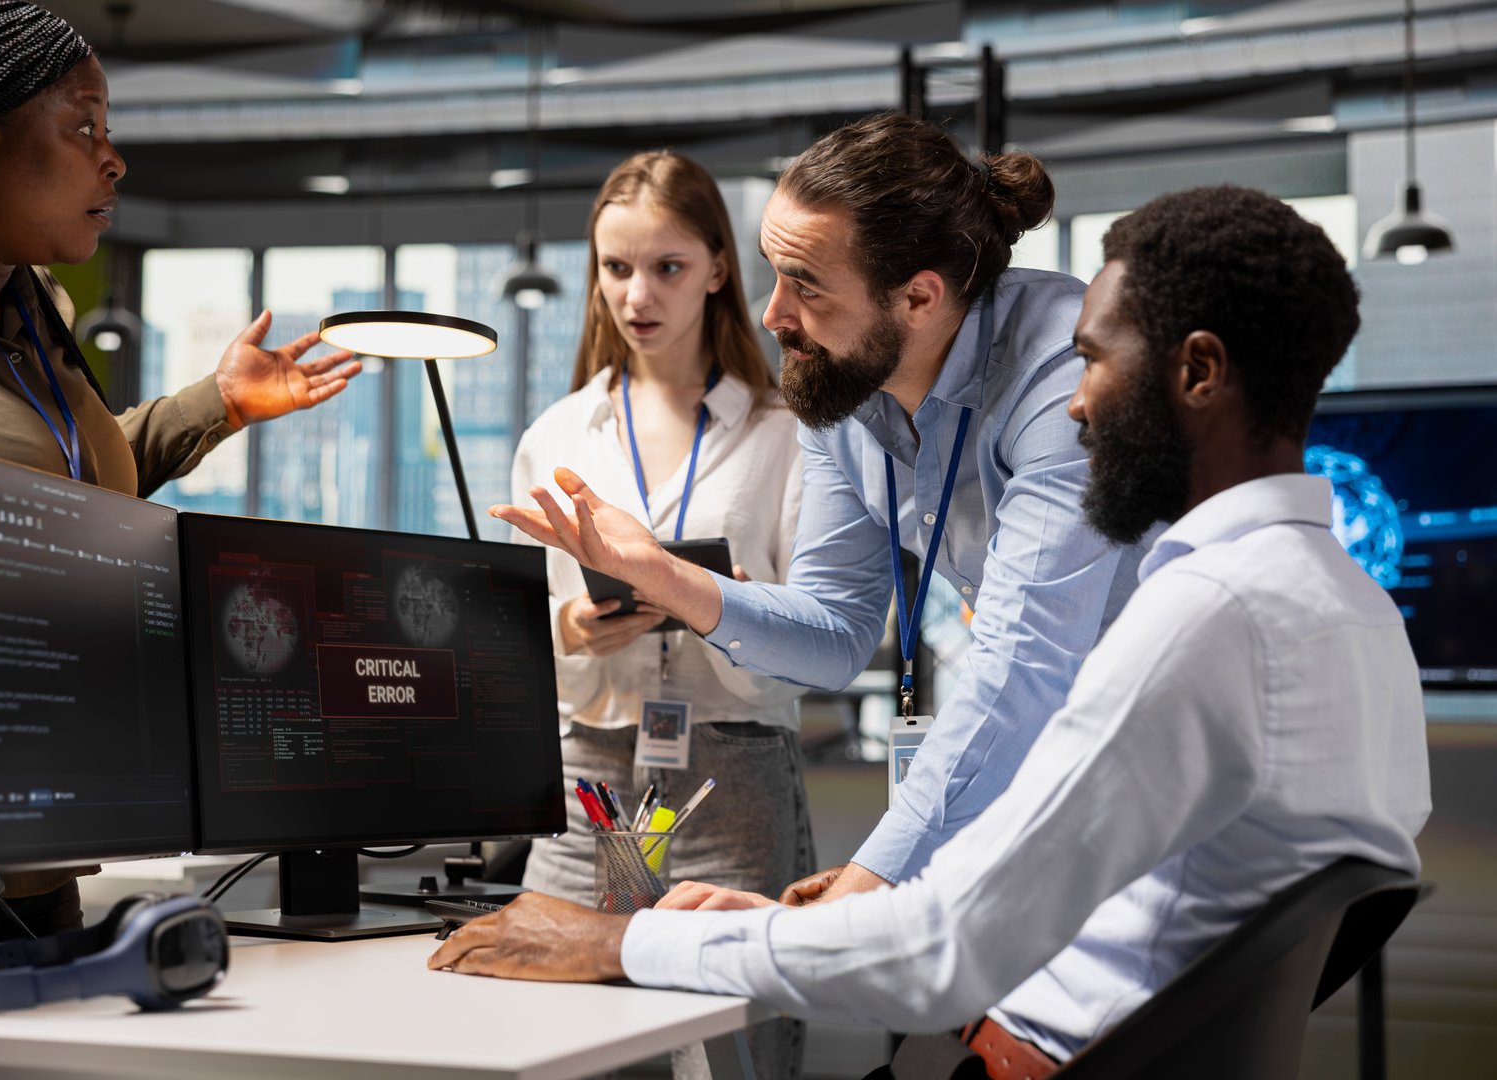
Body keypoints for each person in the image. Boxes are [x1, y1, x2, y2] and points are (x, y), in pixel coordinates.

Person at [430, 184, 1432, 1075]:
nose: (1074, 406)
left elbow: (942, 953)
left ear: (1199, 372)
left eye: (1090, 361)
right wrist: (820, 916)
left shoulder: (1201, 618)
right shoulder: (1353, 610)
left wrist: (617, 944)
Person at [498, 113, 1146, 908]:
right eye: (774, 274)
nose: (773, 314)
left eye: (805, 284)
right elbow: (835, 630)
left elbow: (1022, 664)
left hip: (1174, 746)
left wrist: (859, 894)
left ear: (918, 296)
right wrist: (664, 577)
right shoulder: (842, 389)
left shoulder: (1064, 377)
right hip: (1053, 761)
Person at [0, 0, 360, 950]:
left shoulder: (37, 307)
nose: (114, 158)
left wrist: (217, 404)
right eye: (84, 126)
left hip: (31, 848)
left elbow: (57, 494)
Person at [508, 150, 810, 1080]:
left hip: (733, 769)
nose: (637, 295)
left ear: (719, 267)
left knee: (740, 1046)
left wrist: (717, 600)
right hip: (588, 771)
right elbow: (517, 627)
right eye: (616, 268)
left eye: (667, 268)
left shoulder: (782, 432)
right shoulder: (558, 435)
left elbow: (829, 634)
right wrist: (569, 630)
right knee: (540, 1028)